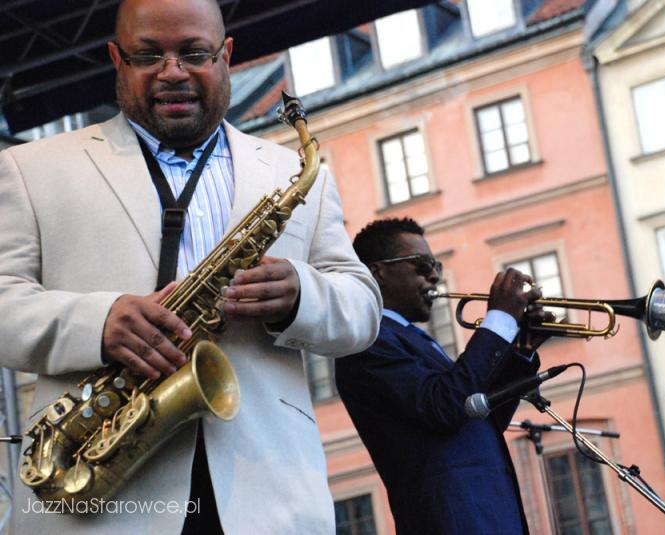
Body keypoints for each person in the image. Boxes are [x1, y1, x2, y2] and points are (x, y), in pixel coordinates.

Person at [0, 0, 381, 533]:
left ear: (226, 55)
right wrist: (99, 322)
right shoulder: (29, 168)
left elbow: (363, 308)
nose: (172, 72)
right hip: (97, 494)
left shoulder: (293, 171)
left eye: (193, 53)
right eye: (148, 55)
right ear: (116, 58)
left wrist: (301, 294)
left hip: (265, 495)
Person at [335, 217, 551, 535]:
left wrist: (520, 349)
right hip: (452, 520)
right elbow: (443, 408)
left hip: (487, 515)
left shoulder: (414, 338)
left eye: (434, 264)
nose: (434, 274)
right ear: (378, 272)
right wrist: (500, 319)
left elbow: (477, 419)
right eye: (421, 265)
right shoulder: (367, 340)